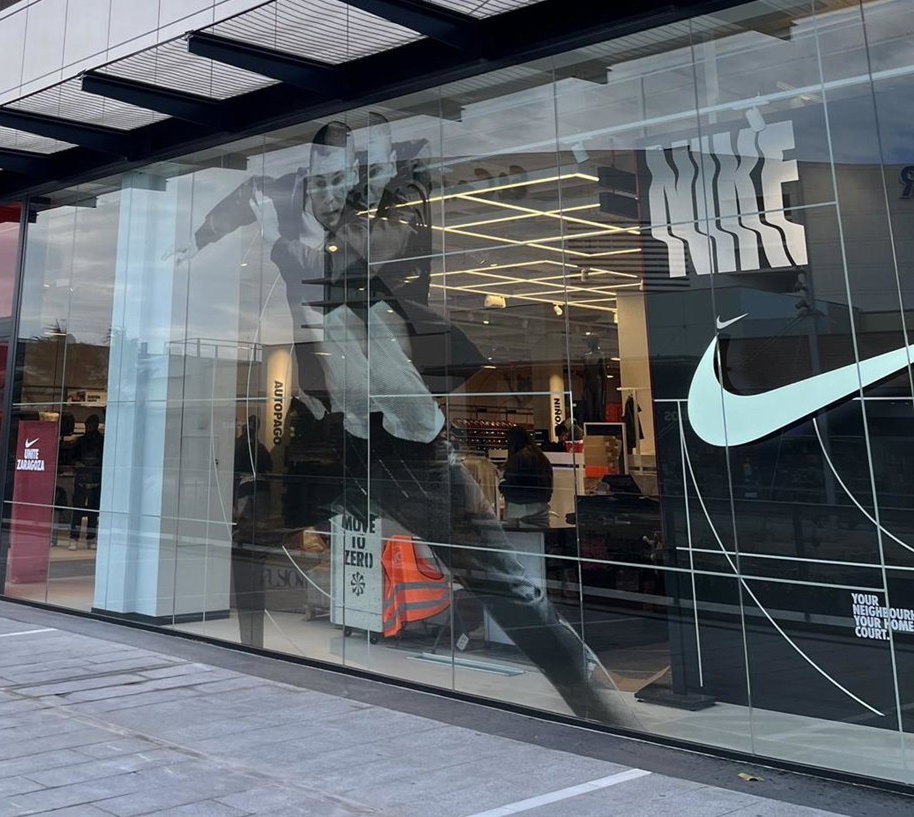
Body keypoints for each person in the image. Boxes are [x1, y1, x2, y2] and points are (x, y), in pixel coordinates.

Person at [183, 115, 628, 726]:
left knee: (502, 581)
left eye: (344, 180)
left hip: (409, 439)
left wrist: (283, 240)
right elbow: (248, 197)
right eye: (320, 180)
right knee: (252, 536)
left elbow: (347, 262)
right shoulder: (307, 215)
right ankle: (251, 656)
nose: (330, 192)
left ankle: (599, 706)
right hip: (346, 435)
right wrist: (197, 240)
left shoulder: (382, 224)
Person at [500, 426, 554, 528]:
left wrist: (501, 484)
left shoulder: (518, 459)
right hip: (541, 509)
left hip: (520, 511)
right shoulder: (541, 458)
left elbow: (513, 486)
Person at [68, 414, 103, 550]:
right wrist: (77, 464)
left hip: (95, 477)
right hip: (82, 477)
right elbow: (71, 458)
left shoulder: (101, 441)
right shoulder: (80, 441)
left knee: (93, 510)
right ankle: (74, 537)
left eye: (91, 424)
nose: (88, 427)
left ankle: (90, 537)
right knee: (78, 509)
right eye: (87, 424)